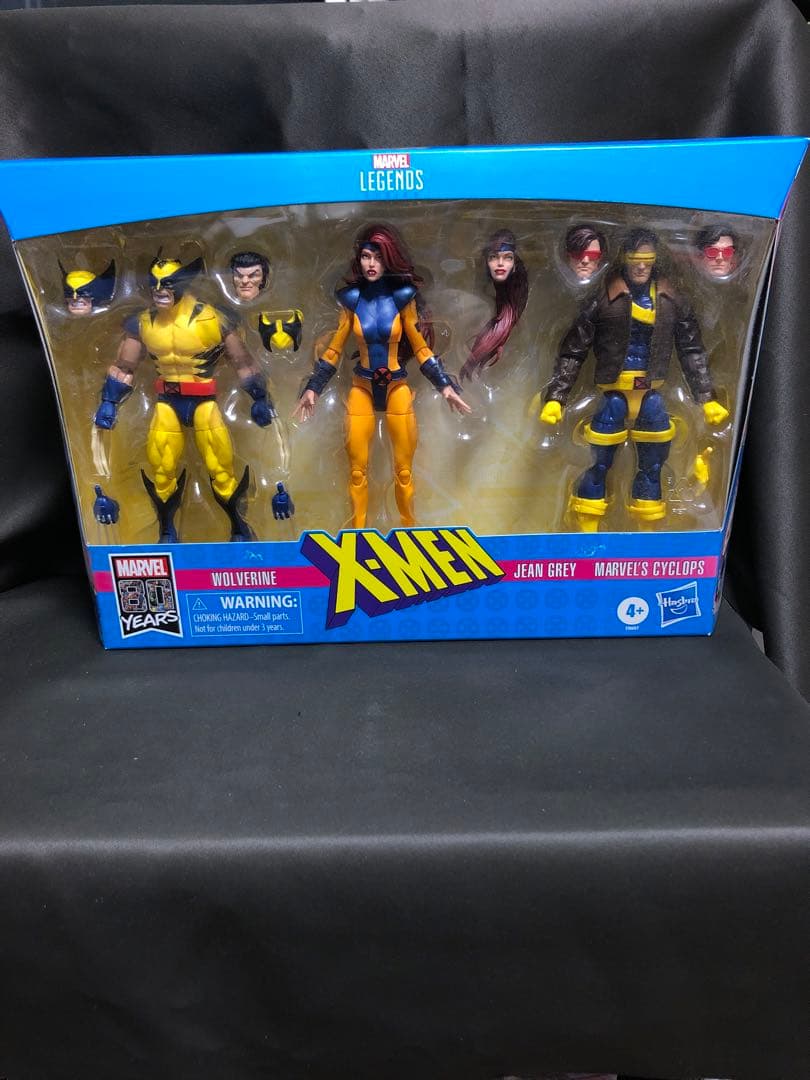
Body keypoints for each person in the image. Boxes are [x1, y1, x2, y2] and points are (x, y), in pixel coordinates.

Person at [538, 228, 729, 530]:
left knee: (652, 467)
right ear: (624, 259)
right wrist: (556, 398)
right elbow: (574, 351)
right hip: (613, 396)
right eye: (635, 259)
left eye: (647, 260)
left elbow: (691, 350)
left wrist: (706, 398)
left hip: (651, 396)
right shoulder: (603, 299)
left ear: (655, 260)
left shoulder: (670, 300)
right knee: (597, 464)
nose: (641, 266)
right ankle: (586, 525)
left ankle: (646, 528)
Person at [92, 252, 291, 542]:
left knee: (220, 467)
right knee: (162, 468)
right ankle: (166, 530)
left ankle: (239, 528)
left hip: (203, 401)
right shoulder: (144, 323)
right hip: (167, 402)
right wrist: (109, 401)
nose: (159, 290)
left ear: (182, 284)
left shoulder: (212, 318)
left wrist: (260, 397)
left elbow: (243, 362)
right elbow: (124, 366)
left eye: (167, 284)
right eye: (154, 283)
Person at [294, 223, 470, 527]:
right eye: (366, 257)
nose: (371, 264)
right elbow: (335, 349)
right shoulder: (351, 299)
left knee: (403, 471)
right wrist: (313, 388)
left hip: (396, 386)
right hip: (362, 386)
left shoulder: (402, 297)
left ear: (388, 260)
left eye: (377, 257)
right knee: (357, 472)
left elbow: (420, 346)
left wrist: (445, 385)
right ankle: (358, 532)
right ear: (359, 260)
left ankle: (408, 529)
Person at [459, 228, 529, 382]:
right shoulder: (479, 295)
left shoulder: (515, 305)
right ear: (486, 261)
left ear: (515, 263)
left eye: (508, 257)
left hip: (507, 372)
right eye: (493, 257)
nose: (500, 263)